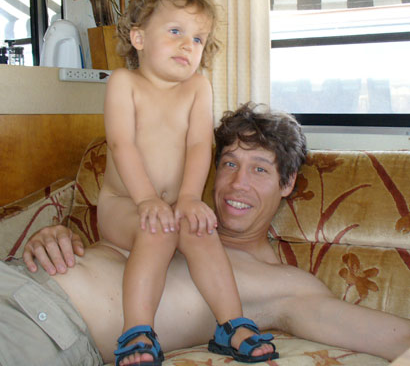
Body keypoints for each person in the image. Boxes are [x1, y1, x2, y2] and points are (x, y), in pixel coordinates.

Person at [1, 103, 409, 366]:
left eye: (260, 169)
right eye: (229, 164)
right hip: (15, 279)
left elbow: (398, 338)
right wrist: (52, 234)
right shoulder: (171, 211)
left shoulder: (285, 286)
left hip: (46, 326)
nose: (237, 184)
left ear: (287, 184)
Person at [96, 0, 275, 366]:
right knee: (157, 230)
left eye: (198, 38)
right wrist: (146, 200)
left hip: (175, 203)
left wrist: (191, 198)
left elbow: (198, 145)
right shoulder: (123, 83)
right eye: (175, 31)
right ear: (139, 38)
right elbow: (121, 144)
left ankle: (231, 325)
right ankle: (137, 331)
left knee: (201, 231)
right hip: (123, 204)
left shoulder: (197, 87)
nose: (187, 45)